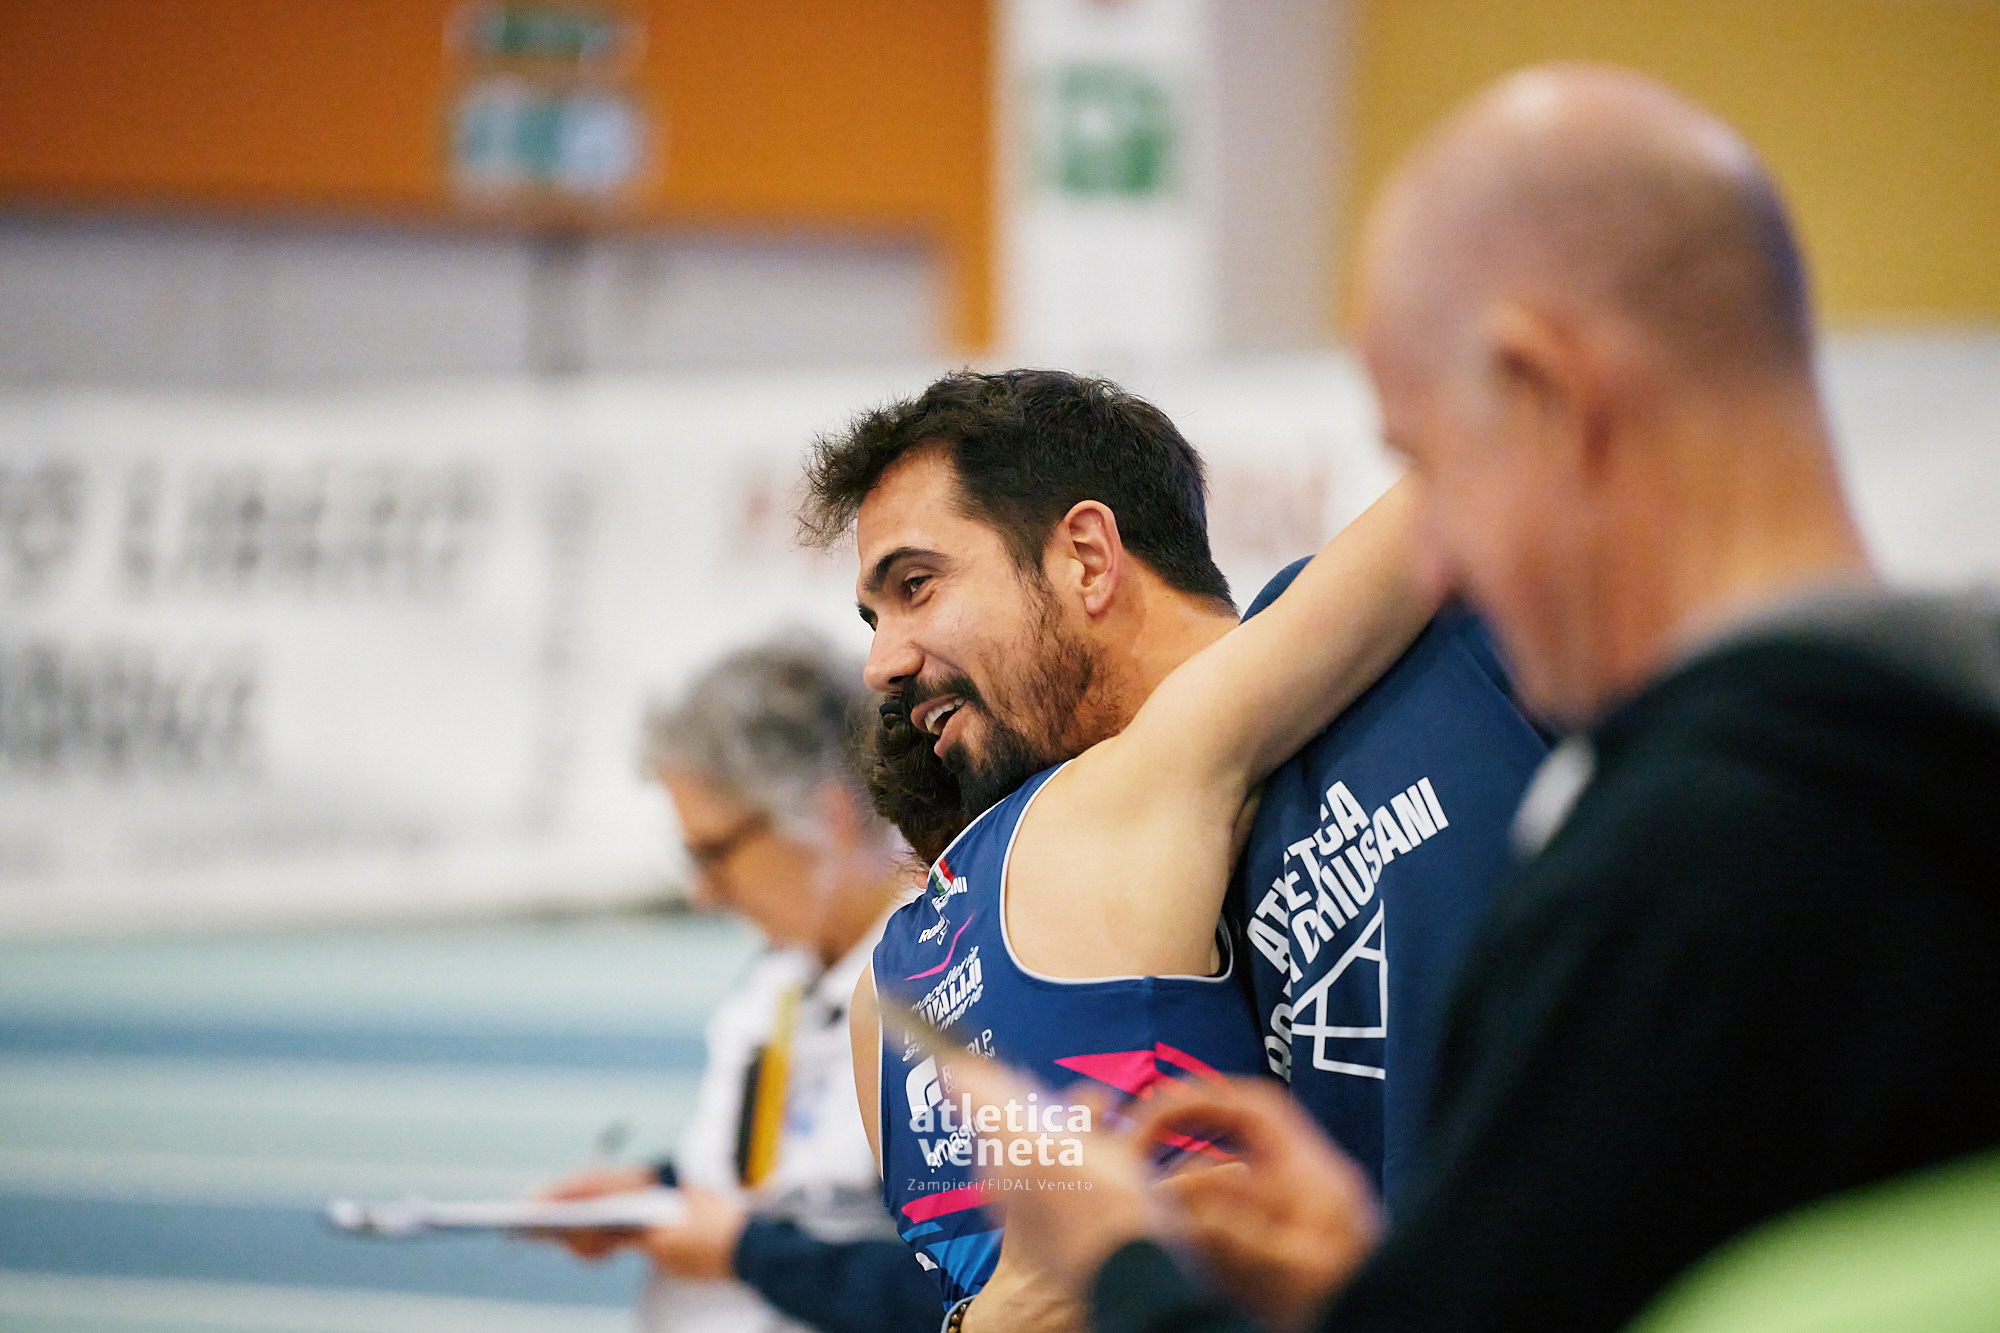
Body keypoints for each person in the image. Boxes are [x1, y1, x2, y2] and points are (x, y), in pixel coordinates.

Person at [944, 63, 2000, 1333]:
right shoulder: (1909, 746)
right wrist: (1372, 1281)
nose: (1432, 557)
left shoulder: (1672, 887)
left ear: (1543, 394)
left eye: (1429, 466)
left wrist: (1120, 1262)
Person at [799, 370, 1547, 1327]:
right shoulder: (1122, 872)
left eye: (917, 585)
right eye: (875, 618)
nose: (880, 665)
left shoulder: (1446, 642)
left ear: (1087, 557)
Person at [528, 637, 942, 1333]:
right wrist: (654, 1193)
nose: (703, 892)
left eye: (713, 852)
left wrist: (744, 1254)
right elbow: (787, 1183)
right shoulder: (785, 972)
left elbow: (965, 1293)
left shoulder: (942, 987)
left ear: (830, 817)